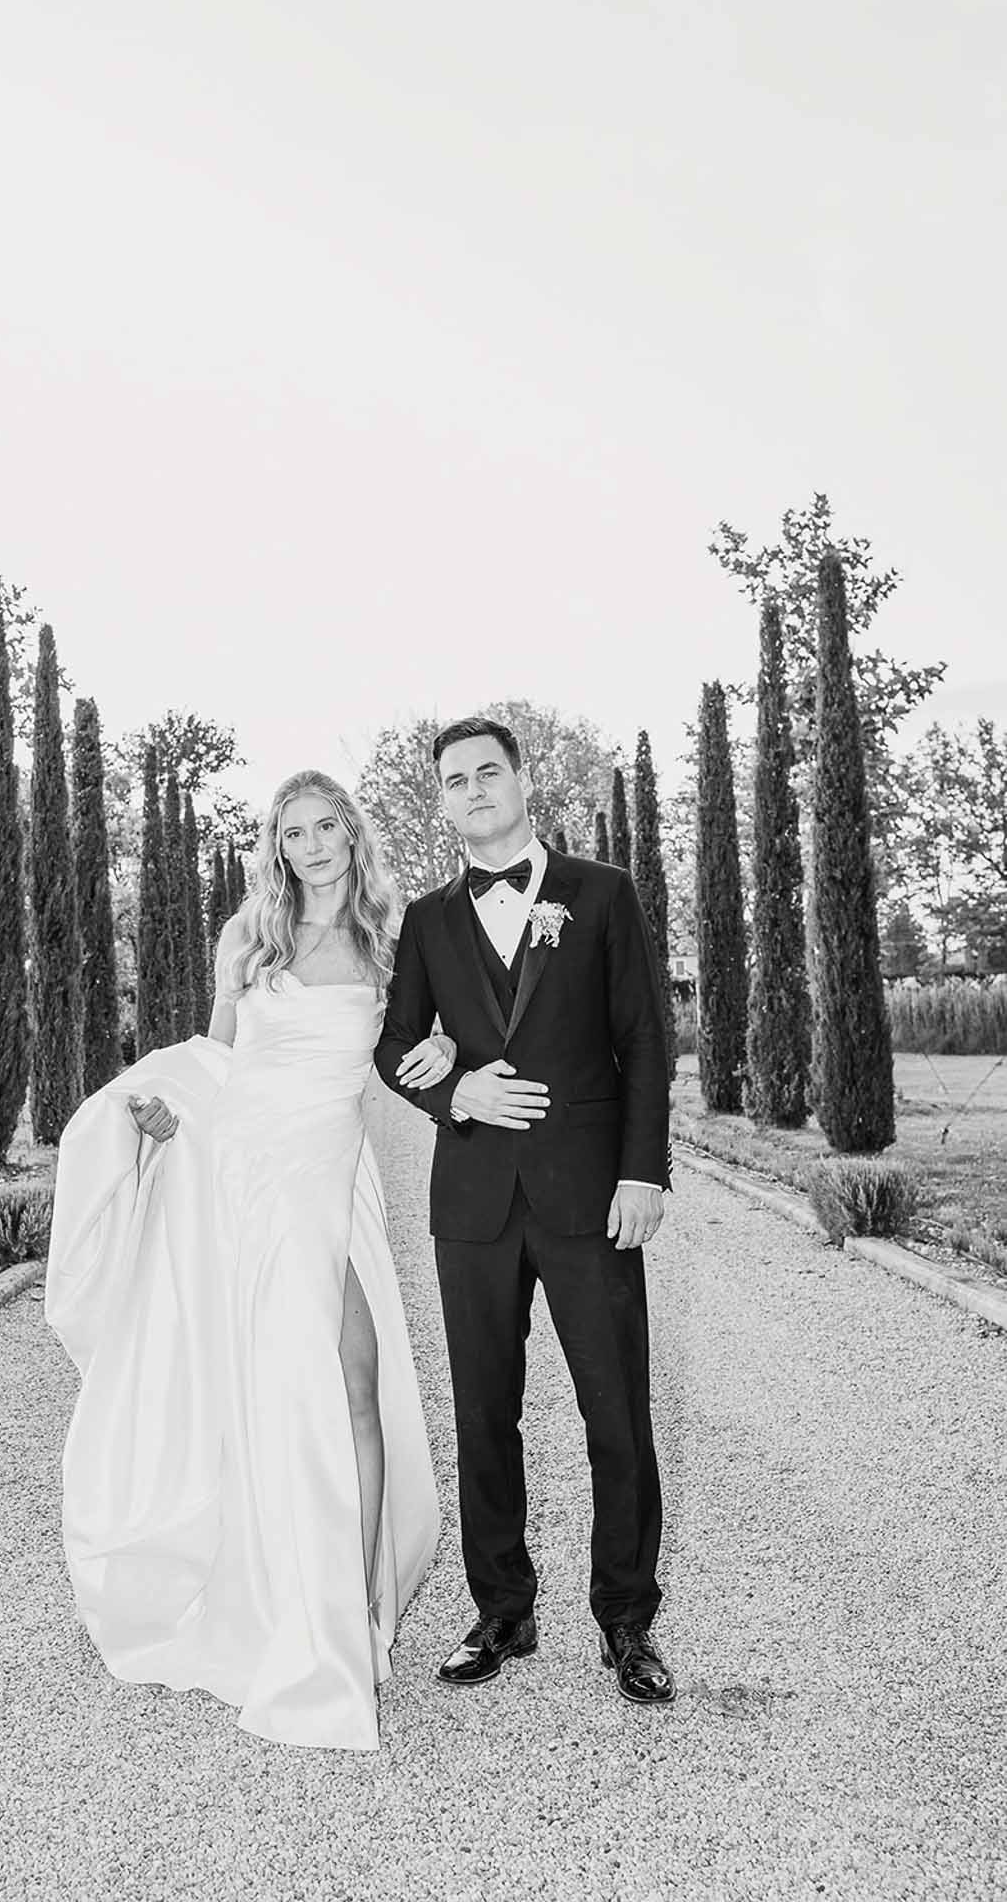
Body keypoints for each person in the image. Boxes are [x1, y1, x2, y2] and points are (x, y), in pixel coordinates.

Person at [45, 770, 442, 1752]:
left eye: (324, 826)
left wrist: (445, 1052)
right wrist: (161, 1116)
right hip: (251, 1172)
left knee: (357, 1384)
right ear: (278, 845)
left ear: (351, 833)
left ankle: (357, 1609)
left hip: (334, 1170)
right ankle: (308, 1614)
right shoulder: (249, 937)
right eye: (291, 831)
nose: (310, 845)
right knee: (293, 1389)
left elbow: (427, 1040)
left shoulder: (395, 940)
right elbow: (215, 1061)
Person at [374, 716, 676, 1705]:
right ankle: (503, 1608)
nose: (472, 789)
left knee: (616, 1412)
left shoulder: (601, 892)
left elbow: (644, 1039)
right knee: (482, 1412)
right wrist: (453, 1093)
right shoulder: (427, 920)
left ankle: (626, 1618)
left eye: (487, 772)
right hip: (473, 1202)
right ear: (443, 800)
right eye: (454, 780)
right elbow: (394, 1045)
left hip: (589, 1197)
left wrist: (643, 1174)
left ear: (520, 778)